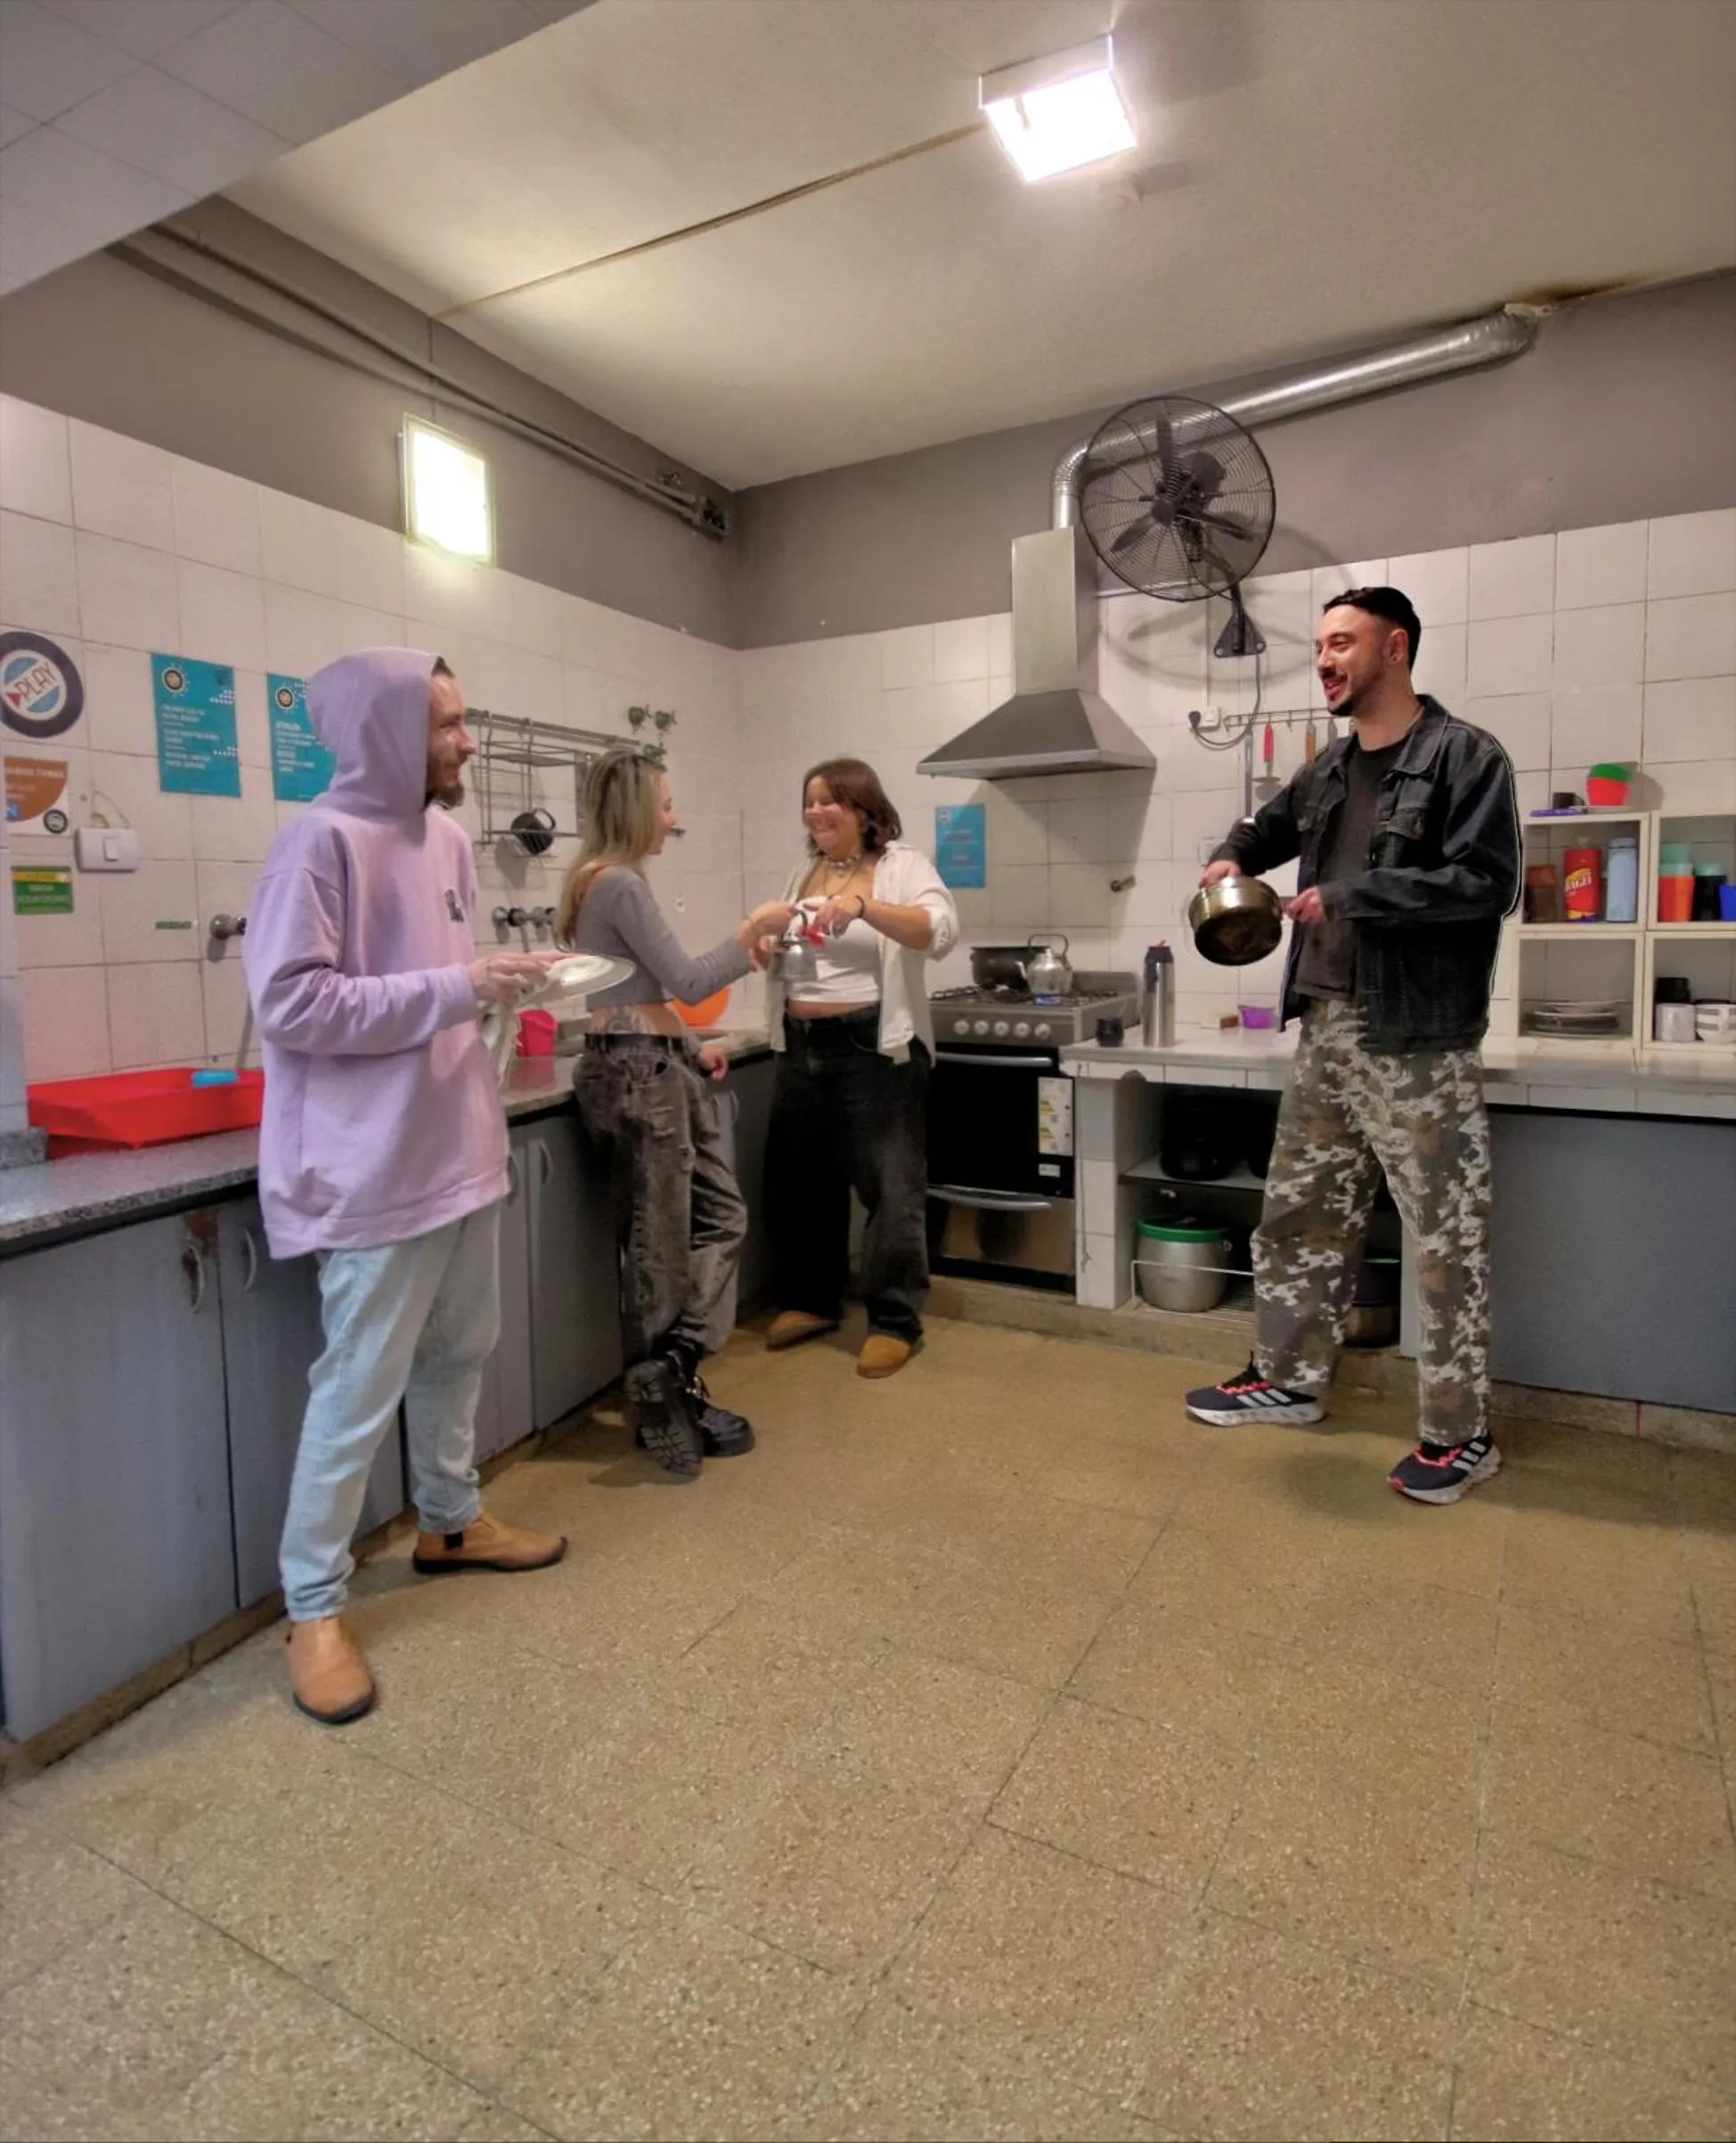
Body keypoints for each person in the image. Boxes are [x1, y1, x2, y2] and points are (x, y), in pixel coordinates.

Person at [246, 648, 568, 1727]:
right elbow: (293, 1006)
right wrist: (462, 986)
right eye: (445, 725)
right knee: (354, 1390)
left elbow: (441, 983)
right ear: (383, 731)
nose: (465, 742)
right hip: (372, 1167)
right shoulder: (316, 843)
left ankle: (449, 1520)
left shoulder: (442, 837)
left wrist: (500, 989)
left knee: (458, 1351)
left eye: (463, 720)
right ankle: (313, 1606)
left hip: (455, 1149)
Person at [1184, 586, 1520, 1503]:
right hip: (1325, 1025)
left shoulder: (1464, 757)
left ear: (1394, 649)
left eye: (1342, 643)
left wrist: (1354, 895)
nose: (1326, 660)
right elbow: (1267, 826)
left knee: (1443, 1242)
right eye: (1321, 646)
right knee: (1298, 1215)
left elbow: (1487, 883)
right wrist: (1231, 857)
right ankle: (1287, 1380)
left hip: (1415, 1038)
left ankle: (1460, 1435)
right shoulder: (1329, 768)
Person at [558, 746, 796, 1478]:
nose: (674, 819)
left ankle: (670, 1368)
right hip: (640, 1074)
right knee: (661, 1248)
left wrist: (690, 1047)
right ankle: (670, 1388)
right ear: (633, 810)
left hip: (645, 1063)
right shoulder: (620, 884)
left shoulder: (594, 885)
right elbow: (688, 978)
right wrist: (753, 928)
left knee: (713, 1220)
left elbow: (634, 994)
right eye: (664, 805)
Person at [762, 757, 958, 1378]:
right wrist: (772, 940)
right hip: (800, 1042)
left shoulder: (902, 866)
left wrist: (866, 907)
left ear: (864, 811)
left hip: (873, 1048)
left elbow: (941, 931)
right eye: (810, 801)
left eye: (832, 802)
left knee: (891, 1190)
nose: (817, 812)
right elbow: (801, 949)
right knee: (800, 1181)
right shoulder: (803, 872)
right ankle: (813, 1301)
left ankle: (894, 1321)